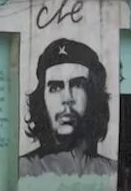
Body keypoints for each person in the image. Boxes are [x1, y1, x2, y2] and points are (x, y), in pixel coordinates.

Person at [20, 38, 117, 177]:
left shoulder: (110, 171)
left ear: (94, 95)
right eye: (55, 88)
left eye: (78, 85)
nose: (67, 98)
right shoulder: (24, 170)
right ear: (41, 99)